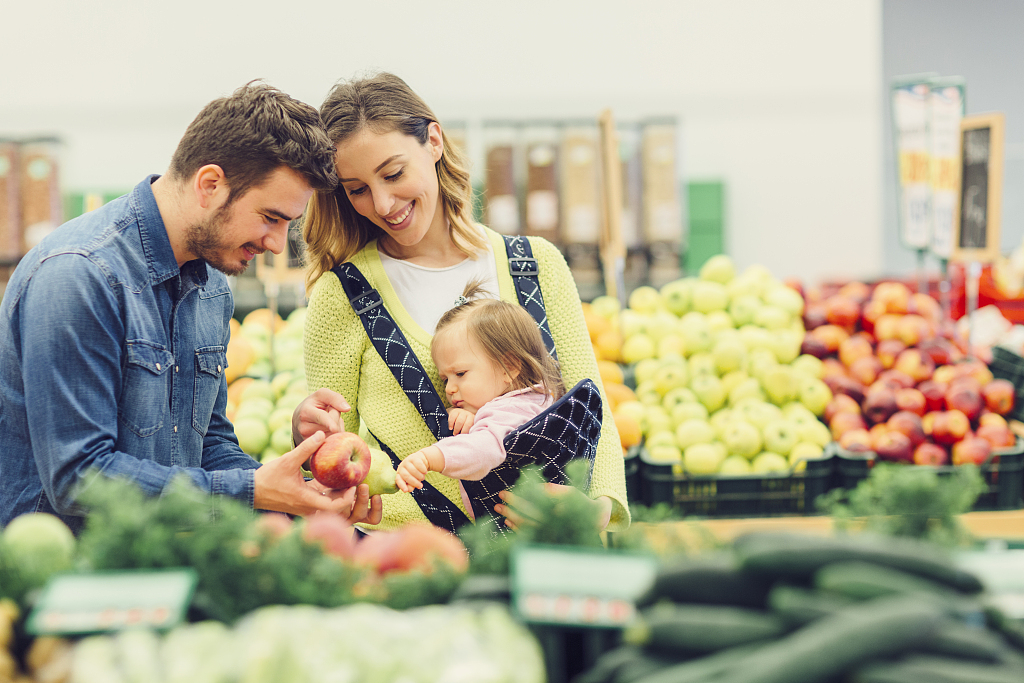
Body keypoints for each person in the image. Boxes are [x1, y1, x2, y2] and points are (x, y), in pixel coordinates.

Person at [0, 82, 382, 533]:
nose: (277, 243)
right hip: (67, 583)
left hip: (165, 559)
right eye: (270, 218)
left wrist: (298, 490)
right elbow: (79, 478)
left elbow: (209, 444)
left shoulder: (212, 289)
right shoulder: (79, 276)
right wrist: (252, 491)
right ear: (210, 184)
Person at [293, 72, 629, 532]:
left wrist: (596, 509)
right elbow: (332, 449)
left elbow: (592, 412)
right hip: (408, 555)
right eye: (357, 189)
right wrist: (312, 450)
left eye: (393, 173)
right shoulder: (343, 294)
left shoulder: (534, 265)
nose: (384, 202)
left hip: (545, 547)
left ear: (433, 141)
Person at [394, 281, 564, 513]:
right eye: (445, 379)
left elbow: (483, 450)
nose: (449, 389)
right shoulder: (537, 399)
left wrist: (430, 457)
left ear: (509, 367)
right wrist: (472, 415)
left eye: (460, 374)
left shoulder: (511, 409)